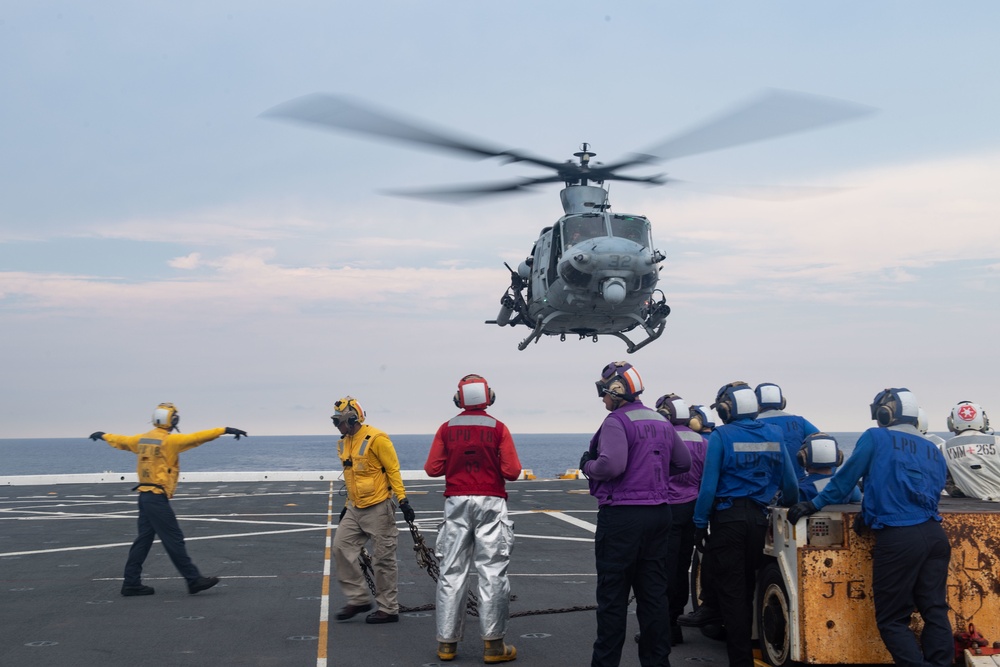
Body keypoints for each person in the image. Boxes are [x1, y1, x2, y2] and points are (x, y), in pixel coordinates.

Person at [788, 388, 952, 667]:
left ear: (885, 413)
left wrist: (814, 504)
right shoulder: (932, 448)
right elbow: (920, 489)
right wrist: (870, 511)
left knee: (892, 619)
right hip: (935, 535)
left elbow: (846, 480)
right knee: (935, 610)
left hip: (899, 538)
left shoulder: (875, 437)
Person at [579, 361, 691, 667]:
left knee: (613, 600)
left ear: (617, 391)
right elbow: (682, 463)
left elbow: (610, 466)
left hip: (622, 519)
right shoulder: (660, 420)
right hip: (659, 515)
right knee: (653, 596)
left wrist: (587, 465)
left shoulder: (617, 421)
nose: (603, 399)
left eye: (604, 392)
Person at [88, 402, 247, 596]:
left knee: (143, 541)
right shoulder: (169, 441)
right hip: (156, 498)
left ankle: (131, 583)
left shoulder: (142, 439)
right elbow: (197, 438)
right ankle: (193, 579)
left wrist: (103, 435)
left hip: (144, 496)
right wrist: (224, 430)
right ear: (173, 419)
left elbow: (121, 440)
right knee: (174, 539)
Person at [692, 381, 798, 667]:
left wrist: (700, 523)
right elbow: (791, 486)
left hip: (728, 521)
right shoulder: (775, 434)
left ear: (727, 409)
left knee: (732, 595)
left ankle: (740, 661)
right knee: (749, 587)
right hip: (760, 520)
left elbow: (708, 488)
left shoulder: (721, 435)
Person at [424, 374, 523, 663]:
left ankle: (447, 644)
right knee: (492, 572)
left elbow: (432, 468)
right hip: (491, 501)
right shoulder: (498, 428)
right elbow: (513, 472)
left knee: (451, 572)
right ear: (488, 397)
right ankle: (493, 645)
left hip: (455, 503)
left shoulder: (446, 428)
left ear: (459, 399)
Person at [331, 396, 414, 624]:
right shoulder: (344, 442)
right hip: (355, 508)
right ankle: (358, 599)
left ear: (352, 418)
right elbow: (352, 478)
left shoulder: (377, 438)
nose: (337, 426)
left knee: (383, 560)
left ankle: (388, 609)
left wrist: (403, 500)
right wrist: (346, 506)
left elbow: (393, 470)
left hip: (378, 507)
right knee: (340, 547)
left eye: (339, 421)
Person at [655, 393, 708, 646]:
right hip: (693, 509)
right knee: (681, 568)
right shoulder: (701, 440)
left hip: (669, 509)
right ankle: (675, 622)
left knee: (663, 570)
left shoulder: (664, 437)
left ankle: (664, 629)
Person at [755, 382, 821, 481]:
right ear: (782, 401)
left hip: (764, 486)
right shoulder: (800, 422)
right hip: (798, 483)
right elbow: (822, 443)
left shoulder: (751, 425)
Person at [942, 400, 1000, 501]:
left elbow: (948, 484)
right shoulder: (997, 441)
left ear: (951, 423)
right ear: (984, 420)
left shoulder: (944, 448)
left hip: (972, 506)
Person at [796, 432, 861, 503]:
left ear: (803, 458)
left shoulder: (800, 490)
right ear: (838, 457)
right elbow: (857, 497)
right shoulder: (849, 488)